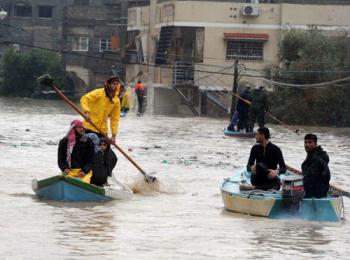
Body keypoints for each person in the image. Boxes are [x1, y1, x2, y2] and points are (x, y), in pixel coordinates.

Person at [80, 75, 122, 144]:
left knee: (105, 150)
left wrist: (114, 135)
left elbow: (115, 119)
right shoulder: (99, 93)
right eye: (114, 84)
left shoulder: (116, 100)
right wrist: (87, 112)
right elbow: (84, 99)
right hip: (89, 127)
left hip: (102, 131)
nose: (116, 86)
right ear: (108, 84)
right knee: (85, 147)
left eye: (117, 84)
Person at [302, 134, 330, 198]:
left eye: (310, 142)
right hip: (316, 190)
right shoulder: (312, 154)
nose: (307, 145)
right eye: (305, 142)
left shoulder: (317, 158)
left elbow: (309, 177)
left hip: (317, 193)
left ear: (315, 144)